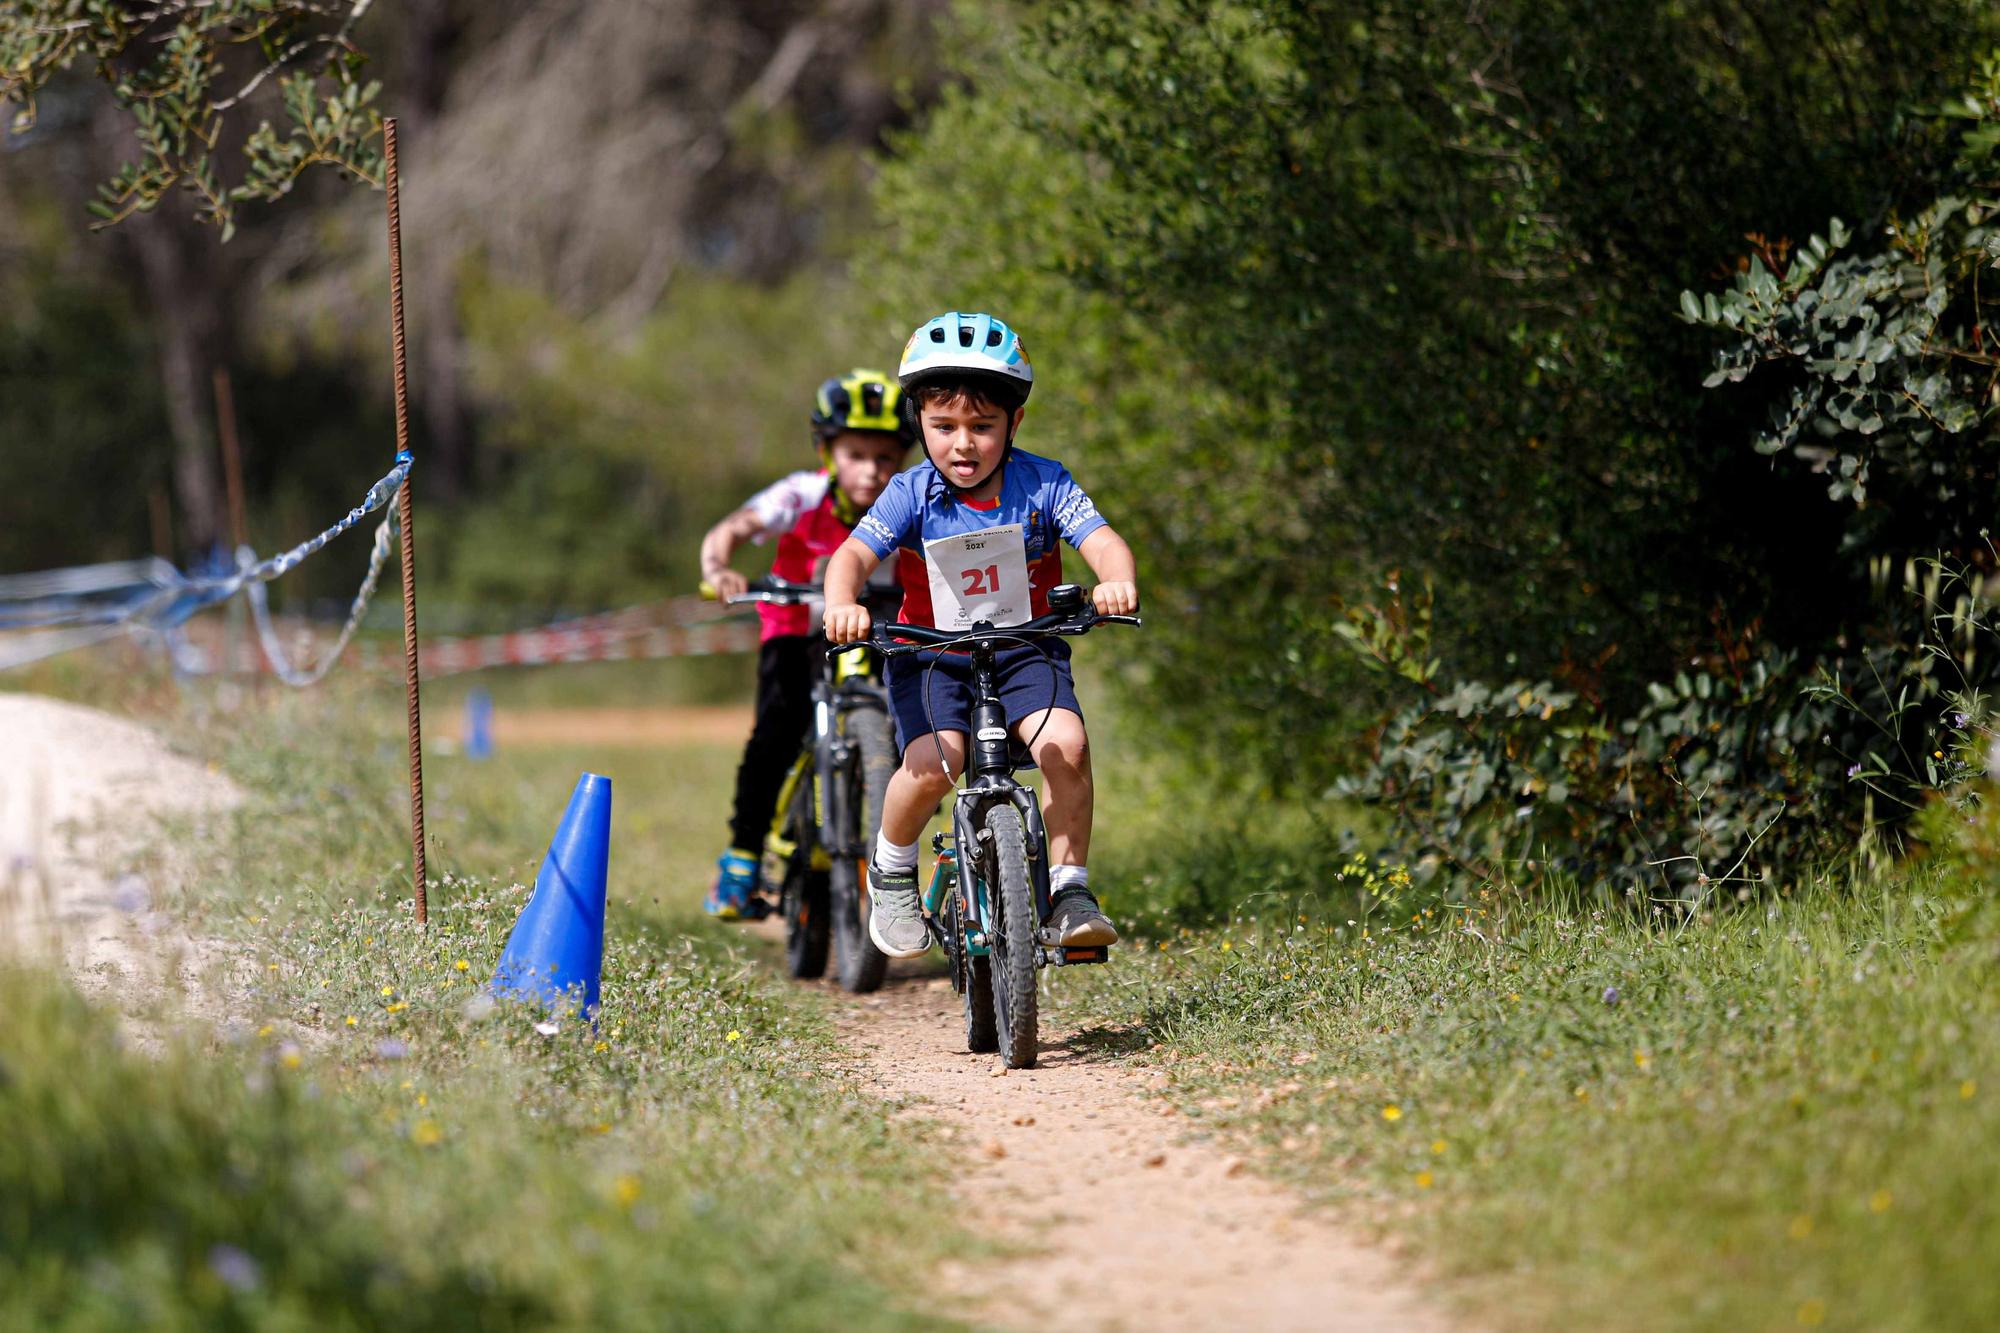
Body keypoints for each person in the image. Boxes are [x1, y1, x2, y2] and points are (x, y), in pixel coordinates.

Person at [821, 312, 1139, 958]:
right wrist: (840, 602)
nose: (962, 444)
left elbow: (1102, 541)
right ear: (919, 423)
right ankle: (892, 869)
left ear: (1013, 424)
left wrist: (1117, 579)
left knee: (1068, 746)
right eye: (943, 427)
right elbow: (851, 556)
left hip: (1026, 646)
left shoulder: (1044, 482)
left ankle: (1071, 890)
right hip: (932, 654)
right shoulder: (909, 492)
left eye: (982, 427)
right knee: (937, 761)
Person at [700, 369, 916, 919]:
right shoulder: (800, 494)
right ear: (827, 453)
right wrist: (719, 567)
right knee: (775, 731)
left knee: (907, 726)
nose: (871, 470)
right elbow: (734, 527)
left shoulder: (908, 503)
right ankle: (742, 858)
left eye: (886, 457)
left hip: (874, 630)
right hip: (796, 631)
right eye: (856, 454)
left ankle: (885, 839)